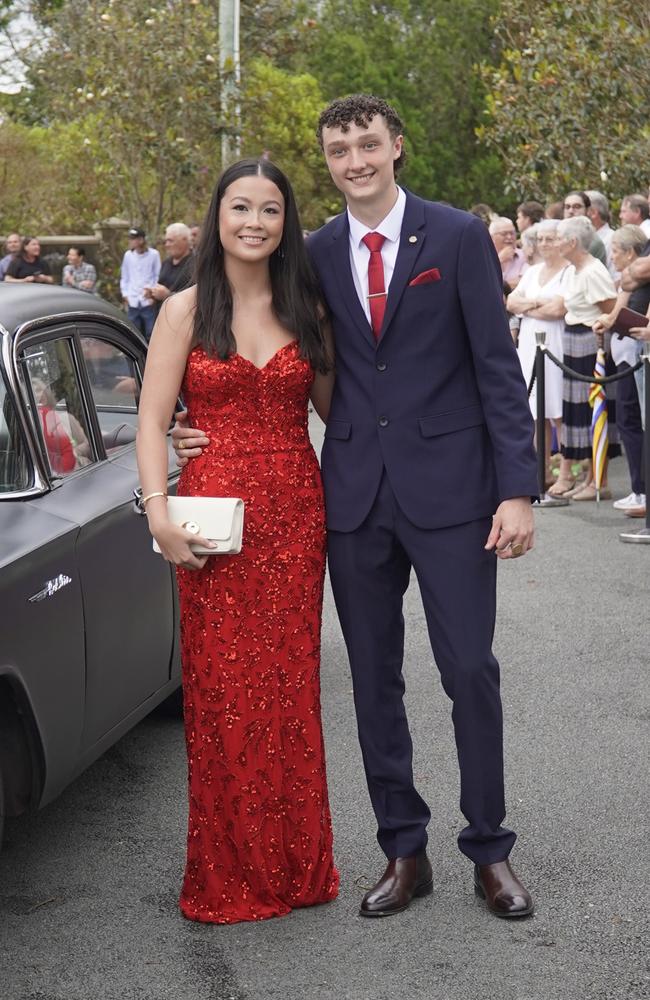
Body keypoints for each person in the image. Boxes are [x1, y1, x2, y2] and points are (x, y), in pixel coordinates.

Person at [174, 94, 539, 921]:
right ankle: (402, 850)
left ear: (396, 146)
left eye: (368, 144)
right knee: (373, 682)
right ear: (328, 163)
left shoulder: (454, 236)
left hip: (452, 495)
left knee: (469, 672)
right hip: (349, 497)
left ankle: (490, 849)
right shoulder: (313, 253)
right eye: (339, 150)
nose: (356, 161)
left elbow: (495, 366)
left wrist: (516, 489)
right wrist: (181, 427)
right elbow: (234, 331)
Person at [136, 158, 339, 925]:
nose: (254, 222)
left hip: (294, 516)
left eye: (271, 210)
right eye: (240, 207)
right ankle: (231, 874)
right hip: (213, 523)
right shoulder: (186, 310)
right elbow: (154, 423)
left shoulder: (306, 307)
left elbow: (339, 414)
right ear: (217, 216)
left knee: (290, 692)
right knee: (223, 696)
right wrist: (160, 513)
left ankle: (297, 868)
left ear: (287, 224)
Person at [548, 217, 617, 500]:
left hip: (590, 343)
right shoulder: (574, 270)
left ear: (573, 242)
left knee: (593, 409)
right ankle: (589, 478)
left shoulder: (592, 271)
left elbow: (611, 310)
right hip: (573, 341)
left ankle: (598, 481)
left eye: (559, 238)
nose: (555, 243)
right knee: (579, 411)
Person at [593, 224, 649, 517]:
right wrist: (611, 318)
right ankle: (639, 488)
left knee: (639, 421)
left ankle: (643, 490)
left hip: (640, 350)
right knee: (631, 419)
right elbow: (627, 284)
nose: (612, 256)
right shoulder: (633, 268)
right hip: (629, 349)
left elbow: (635, 277)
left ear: (630, 252)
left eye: (616, 251)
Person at [507, 220, 568, 486]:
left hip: (556, 342)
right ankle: (540, 471)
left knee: (558, 409)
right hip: (530, 342)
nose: (544, 244)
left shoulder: (568, 271)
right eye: (540, 239)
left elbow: (559, 310)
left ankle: (567, 471)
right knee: (535, 409)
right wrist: (535, 303)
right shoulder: (532, 272)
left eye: (550, 239)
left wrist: (526, 307)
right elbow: (511, 301)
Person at [119, 227, 160, 340]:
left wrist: (152, 293)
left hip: (147, 301)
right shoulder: (128, 255)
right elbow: (125, 276)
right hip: (133, 300)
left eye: (134, 239)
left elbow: (157, 275)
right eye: (131, 239)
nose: (131, 241)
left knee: (151, 333)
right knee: (133, 333)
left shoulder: (154, 254)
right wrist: (125, 294)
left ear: (141, 240)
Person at [144, 222, 194, 307]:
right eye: (166, 241)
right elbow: (162, 286)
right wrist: (153, 294)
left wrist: (168, 295)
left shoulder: (197, 264)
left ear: (184, 240)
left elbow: (197, 297)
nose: (166, 245)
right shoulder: (166, 263)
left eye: (170, 241)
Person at [563, 191, 608, 266]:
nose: (570, 211)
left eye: (577, 207)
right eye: (567, 207)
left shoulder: (593, 242)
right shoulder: (556, 236)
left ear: (588, 211)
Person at [489, 216, 526, 288]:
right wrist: (499, 261)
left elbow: (525, 282)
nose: (509, 237)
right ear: (492, 237)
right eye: (504, 234)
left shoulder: (525, 255)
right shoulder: (485, 257)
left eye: (512, 233)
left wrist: (499, 286)